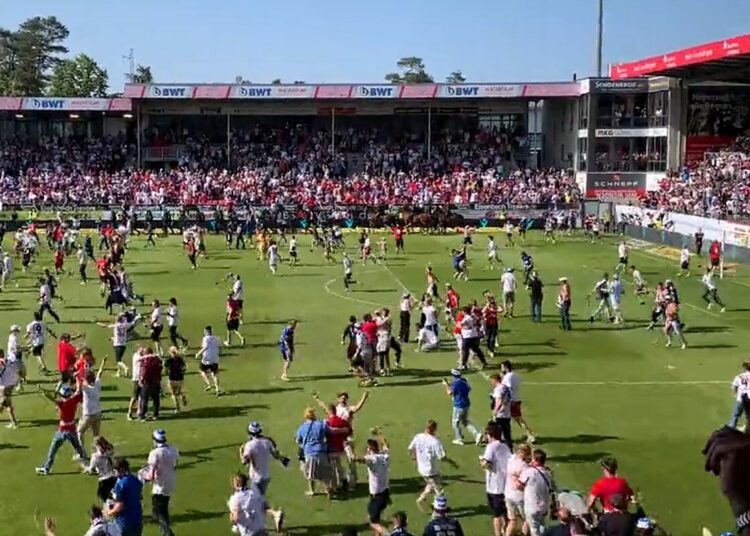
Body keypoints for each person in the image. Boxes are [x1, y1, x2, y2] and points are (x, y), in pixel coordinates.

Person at [35, 383, 89, 475]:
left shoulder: (62, 404)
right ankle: (89, 465)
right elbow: (78, 392)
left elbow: (52, 399)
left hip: (62, 430)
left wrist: (43, 391)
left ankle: (47, 468)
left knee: (53, 450)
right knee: (78, 449)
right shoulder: (73, 400)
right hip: (72, 429)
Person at [140, 429, 179, 536]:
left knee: (162, 514)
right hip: (170, 482)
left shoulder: (154, 453)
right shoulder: (173, 449)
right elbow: (175, 465)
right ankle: (163, 530)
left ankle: (167, 533)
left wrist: (143, 474)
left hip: (159, 486)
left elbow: (151, 476)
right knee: (161, 509)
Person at [354, 429, 391, 535]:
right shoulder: (384, 456)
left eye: (368, 447)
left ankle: (388, 534)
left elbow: (360, 460)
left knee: (372, 521)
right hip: (385, 492)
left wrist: (350, 453)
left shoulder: (372, 458)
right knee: (377, 519)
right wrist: (380, 434)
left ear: (371, 448)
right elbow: (386, 445)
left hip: (376, 495)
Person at [408, 420, 450, 511]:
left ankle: (422, 498)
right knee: (439, 490)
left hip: (422, 469)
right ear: (434, 429)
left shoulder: (418, 437)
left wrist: (414, 457)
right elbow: (442, 456)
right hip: (431, 471)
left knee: (430, 485)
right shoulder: (435, 442)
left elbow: (410, 448)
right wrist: (452, 463)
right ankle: (439, 508)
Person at [295, 407, 335, 496]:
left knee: (310, 473)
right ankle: (327, 488)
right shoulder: (320, 424)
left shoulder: (302, 428)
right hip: (321, 450)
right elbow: (329, 432)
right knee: (325, 472)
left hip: (309, 452)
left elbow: (298, 440)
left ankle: (311, 490)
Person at [481, 423, 512, 536]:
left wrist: (482, 462)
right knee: (505, 513)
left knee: (496, 515)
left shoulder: (491, 447)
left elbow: (486, 464)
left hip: (494, 487)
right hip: (505, 485)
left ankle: (498, 533)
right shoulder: (505, 446)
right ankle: (506, 531)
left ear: (490, 435)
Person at [518, 449, 554, 536]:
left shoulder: (529, 472)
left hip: (531, 506)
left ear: (536, 460)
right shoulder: (548, 473)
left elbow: (519, 486)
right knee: (541, 527)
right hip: (543, 506)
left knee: (534, 530)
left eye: (533, 458)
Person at [106, 458, 144, 536]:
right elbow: (140, 496)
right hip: (137, 519)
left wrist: (109, 512)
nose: (113, 473)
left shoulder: (120, 485)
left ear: (122, 469)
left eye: (115, 470)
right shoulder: (134, 479)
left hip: (124, 522)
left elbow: (120, 506)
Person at [443, 369, 481, 446]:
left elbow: (449, 392)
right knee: (465, 421)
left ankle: (459, 438)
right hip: (466, 404)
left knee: (455, 422)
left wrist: (446, 384)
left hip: (458, 405)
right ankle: (477, 434)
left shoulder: (456, 384)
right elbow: (468, 389)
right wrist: (450, 384)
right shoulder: (464, 381)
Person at [502, 360, 536, 443]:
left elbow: (506, 388)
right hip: (516, 399)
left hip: (510, 401)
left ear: (505, 368)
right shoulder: (515, 375)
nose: (501, 369)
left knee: (502, 418)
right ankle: (530, 434)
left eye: (502, 367)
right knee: (518, 419)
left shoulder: (507, 377)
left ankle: (502, 436)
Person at [77, 357, 106, 447]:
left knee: (79, 432)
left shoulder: (86, 389)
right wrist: (103, 362)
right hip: (98, 413)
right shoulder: (97, 384)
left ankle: (82, 453)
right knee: (96, 435)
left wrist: (80, 372)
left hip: (88, 415)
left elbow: (79, 383)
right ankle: (100, 451)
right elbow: (100, 373)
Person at [505, 443, 532, 536]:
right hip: (519, 496)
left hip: (508, 494)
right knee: (527, 520)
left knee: (512, 520)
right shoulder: (525, 466)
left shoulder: (511, 460)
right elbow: (523, 484)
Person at [84, 436, 117, 503]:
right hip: (114, 476)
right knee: (114, 494)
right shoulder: (110, 451)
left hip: (104, 479)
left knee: (103, 496)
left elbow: (91, 469)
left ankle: (112, 509)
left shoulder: (95, 456)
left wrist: (86, 469)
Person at [195, 326, 222, 395]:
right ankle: (217, 389)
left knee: (202, 370)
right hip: (215, 358)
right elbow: (219, 348)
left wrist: (198, 353)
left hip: (207, 359)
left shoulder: (205, 339)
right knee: (215, 374)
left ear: (206, 332)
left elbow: (205, 347)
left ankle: (209, 384)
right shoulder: (216, 338)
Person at [138, 348, 162, 421]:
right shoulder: (157, 359)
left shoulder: (145, 360)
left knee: (144, 399)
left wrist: (141, 380)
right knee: (156, 399)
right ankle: (155, 414)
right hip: (156, 381)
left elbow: (143, 371)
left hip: (147, 382)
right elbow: (160, 368)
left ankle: (143, 415)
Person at [490, 373, 513, 448]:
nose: (491, 383)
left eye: (491, 381)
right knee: (507, 435)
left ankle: (498, 452)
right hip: (507, 413)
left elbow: (499, 401)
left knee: (497, 435)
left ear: (495, 380)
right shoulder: (505, 387)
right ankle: (510, 451)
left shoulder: (498, 389)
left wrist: (495, 411)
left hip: (500, 414)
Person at [0, 349, 19, 428]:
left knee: (4, 402)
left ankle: (13, 423)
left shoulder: (0, 362)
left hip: (4, 385)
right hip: (11, 384)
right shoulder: (8, 361)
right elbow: (16, 369)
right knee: (6, 402)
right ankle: (13, 421)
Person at [729, 361, 750, 429]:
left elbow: (734, 386)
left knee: (735, 415)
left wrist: (735, 395)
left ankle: (731, 430)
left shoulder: (739, 376)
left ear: (744, 367)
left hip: (741, 398)